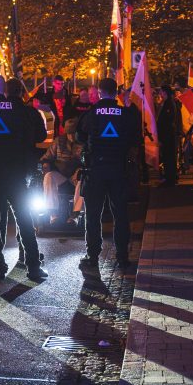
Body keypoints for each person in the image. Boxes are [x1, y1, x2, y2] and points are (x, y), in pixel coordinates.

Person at [0, 74, 48, 282]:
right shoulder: (23, 111)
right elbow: (40, 136)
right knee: (24, 219)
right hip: (17, 174)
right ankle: (33, 266)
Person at [77, 78, 142, 270]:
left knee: (93, 214)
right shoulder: (126, 114)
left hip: (96, 169)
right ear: (116, 93)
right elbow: (135, 137)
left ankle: (92, 255)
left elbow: (80, 136)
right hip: (118, 170)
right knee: (120, 214)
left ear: (99, 92)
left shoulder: (91, 113)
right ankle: (122, 257)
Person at [39, 117, 83, 222]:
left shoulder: (83, 143)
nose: (71, 136)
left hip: (76, 175)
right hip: (61, 173)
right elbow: (46, 157)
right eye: (69, 133)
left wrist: (81, 169)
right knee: (49, 176)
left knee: (84, 178)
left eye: (73, 133)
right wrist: (45, 164)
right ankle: (53, 213)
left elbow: (88, 160)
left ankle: (76, 214)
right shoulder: (59, 141)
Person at [156, 85, 181, 187]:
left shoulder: (169, 104)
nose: (160, 94)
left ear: (164, 92)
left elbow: (167, 122)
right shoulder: (167, 103)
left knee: (169, 158)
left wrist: (162, 137)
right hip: (167, 136)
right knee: (167, 158)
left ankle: (170, 179)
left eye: (161, 92)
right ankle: (169, 177)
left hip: (168, 137)